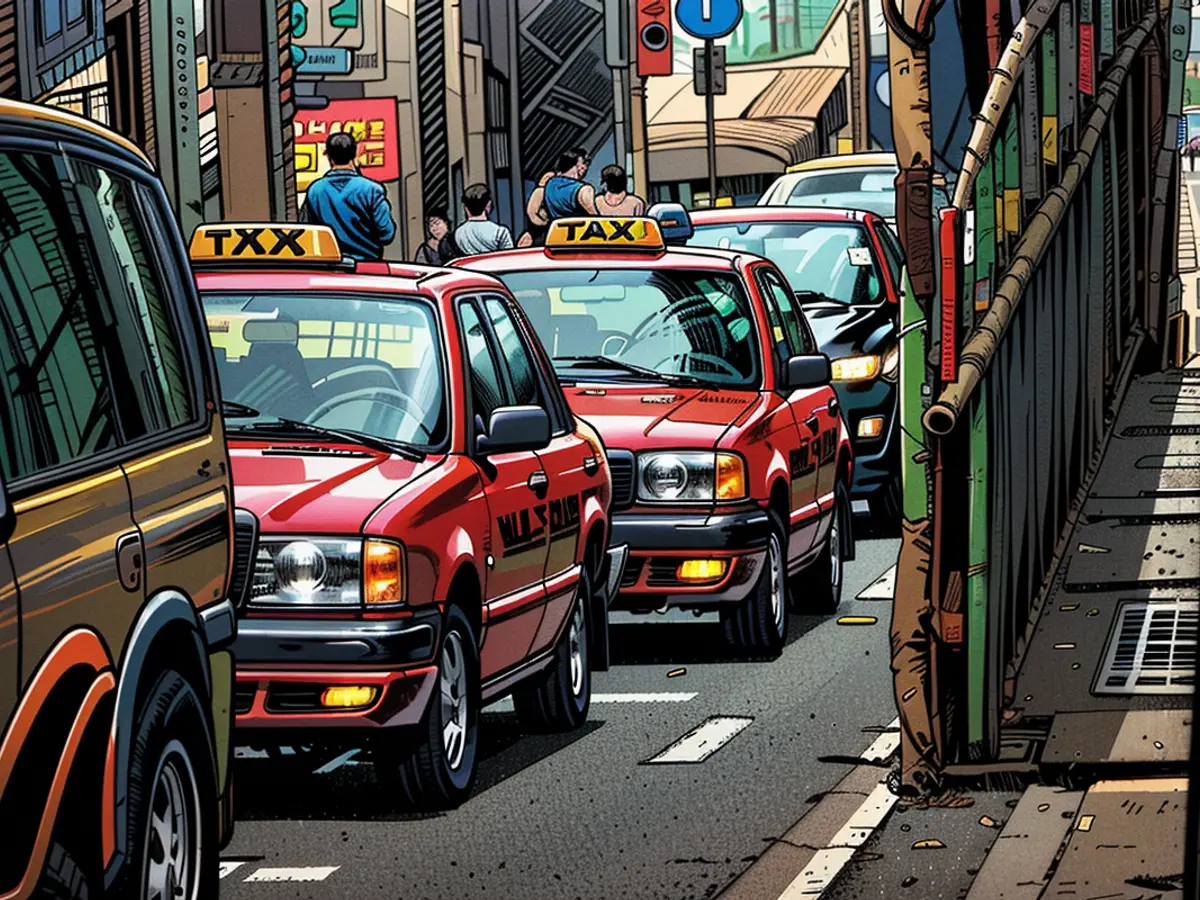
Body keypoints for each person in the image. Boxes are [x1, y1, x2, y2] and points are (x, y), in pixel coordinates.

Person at [300, 132, 397, 261]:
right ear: (355, 154)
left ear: (328, 156)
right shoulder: (372, 190)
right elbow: (387, 234)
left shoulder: (315, 190)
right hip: (367, 268)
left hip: (329, 268)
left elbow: (306, 233)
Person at [452, 183, 514, 257]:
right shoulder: (500, 232)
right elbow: (509, 258)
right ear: (488, 205)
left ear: (466, 208)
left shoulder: (459, 232)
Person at [542, 148, 599, 221]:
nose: (585, 168)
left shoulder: (550, 184)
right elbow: (596, 220)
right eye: (585, 163)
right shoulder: (584, 190)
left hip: (557, 230)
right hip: (579, 231)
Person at [521, 170, 556, 246]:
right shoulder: (540, 191)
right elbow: (531, 213)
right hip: (537, 233)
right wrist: (545, 224)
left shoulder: (549, 194)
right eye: (548, 178)